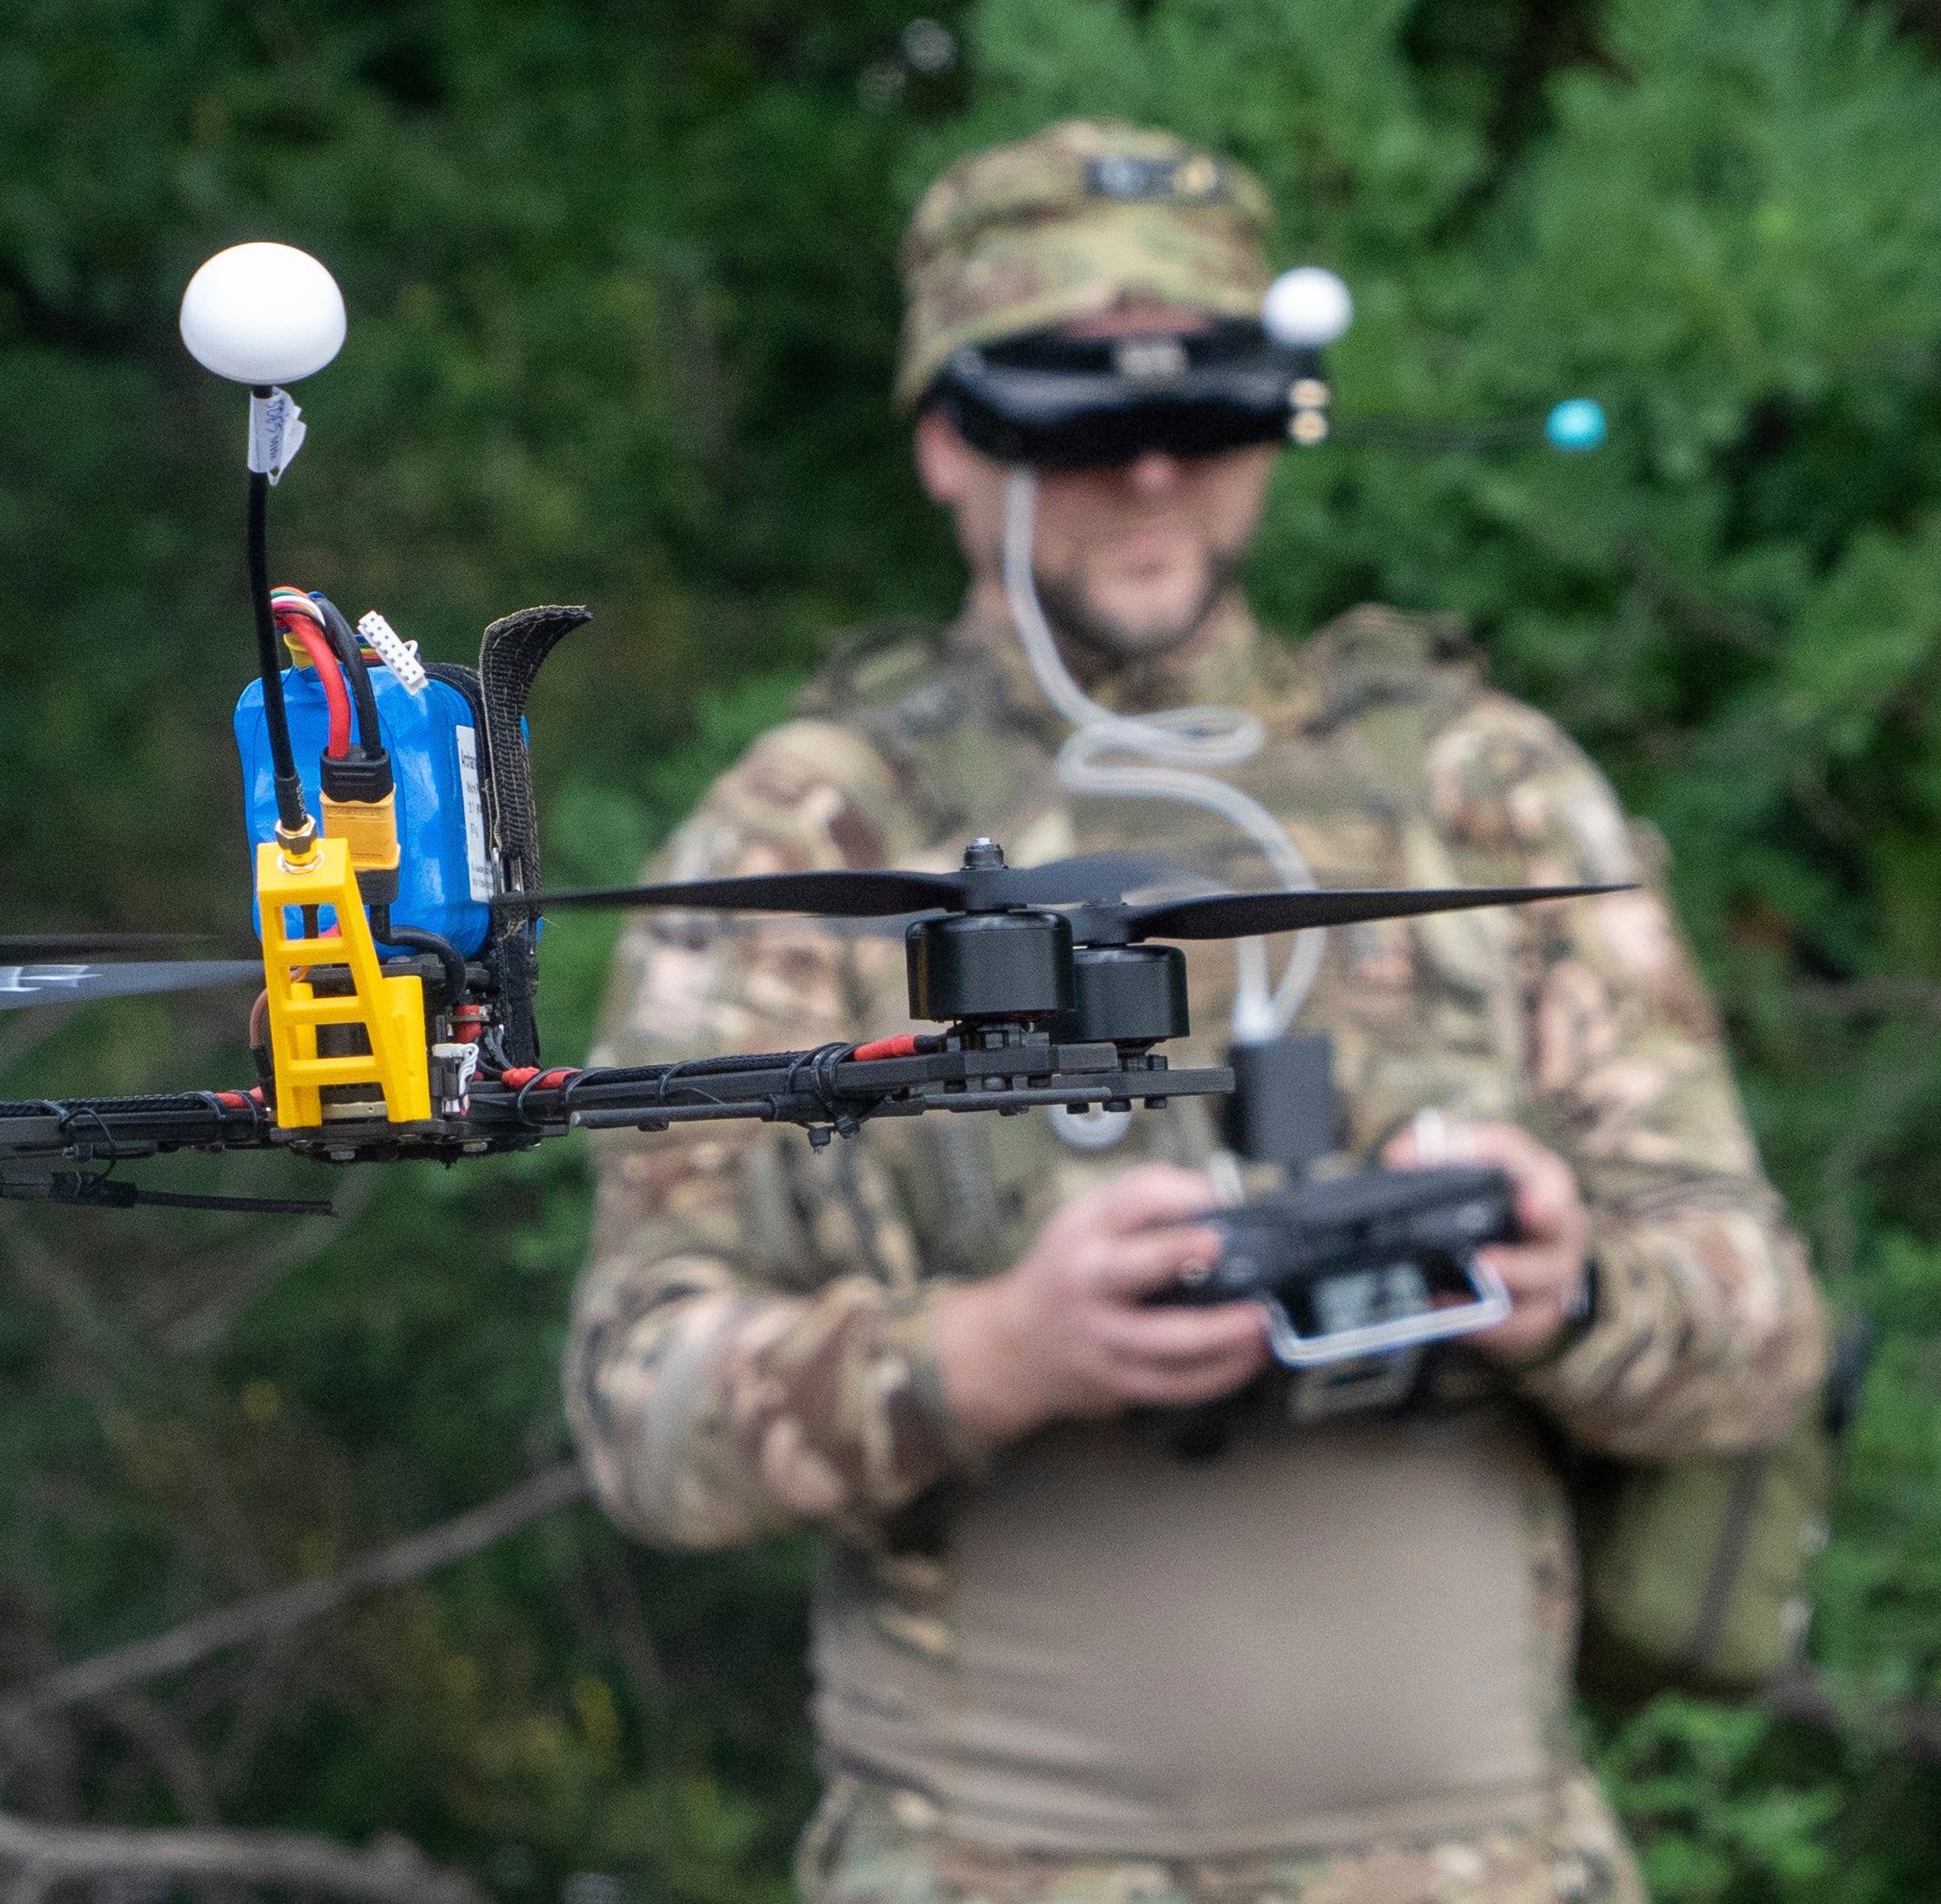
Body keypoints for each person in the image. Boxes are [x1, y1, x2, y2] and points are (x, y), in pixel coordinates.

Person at [564, 119, 1824, 1904]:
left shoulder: (1488, 798)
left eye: (1205, 415)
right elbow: (641, 1407)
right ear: (946, 436)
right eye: (1073, 420)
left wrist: (1568, 1290)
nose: (1147, 473)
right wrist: (992, 1353)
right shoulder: (814, 838)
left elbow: (1755, 1323)